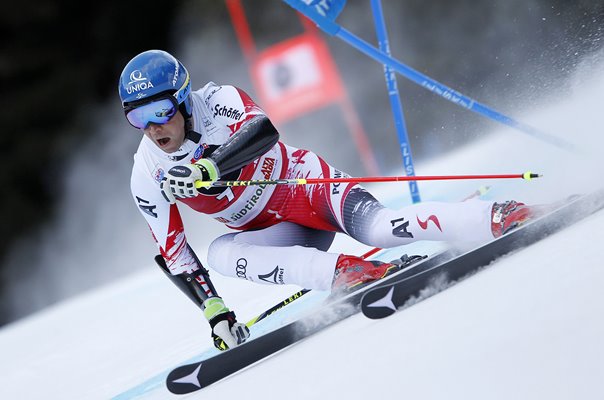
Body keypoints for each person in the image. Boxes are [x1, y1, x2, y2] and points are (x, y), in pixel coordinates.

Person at [118, 49, 536, 351]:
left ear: (184, 99)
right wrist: (215, 312)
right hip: (275, 231)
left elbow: (263, 132)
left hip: (305, 187)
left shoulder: (218, 101)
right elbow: (174, 253)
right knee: (221, 253)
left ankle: (495, 216)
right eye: (138, 117)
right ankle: (345, 272)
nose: (154, 128)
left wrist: (210, 168)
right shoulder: (146, 172)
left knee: (382, 229)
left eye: (159, 110)